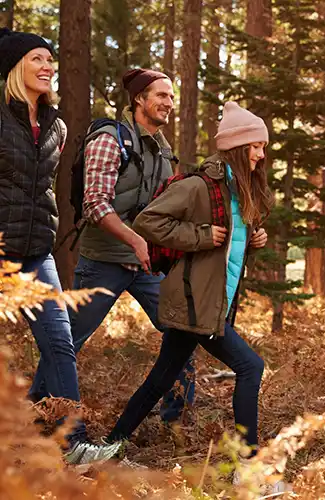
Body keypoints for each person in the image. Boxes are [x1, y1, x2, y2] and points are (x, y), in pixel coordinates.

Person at [29, 68, 195, 422]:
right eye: (161, 95)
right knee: (67, 343)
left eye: (171, 96)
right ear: (139, 99)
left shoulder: (165, 152)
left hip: (148, 265)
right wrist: (135, 239)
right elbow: (95, 204)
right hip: (104, 259)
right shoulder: (109, 139)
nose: (169, 102)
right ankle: (36, 411)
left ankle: (176, 424)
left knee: (183, 331)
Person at [107, 101, 271, 457]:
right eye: (256, 146)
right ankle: (251, 462)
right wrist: (198, 236)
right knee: (250, 366)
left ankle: (109, 444)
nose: (261, 154)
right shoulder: (200, 186)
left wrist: (255, 240)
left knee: (162, 378)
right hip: (196, 301)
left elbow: (230, 248)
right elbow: (148, 221)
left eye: (262, 146)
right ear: (238, 148)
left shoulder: (239, 190)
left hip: (211, 300)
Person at [0, 27, 120, 464]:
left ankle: (76, 444)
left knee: (59, 341)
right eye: (37, 58)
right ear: (15, 67)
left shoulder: (57, 126)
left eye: (50, 59)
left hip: (36, 252)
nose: (48, 66)